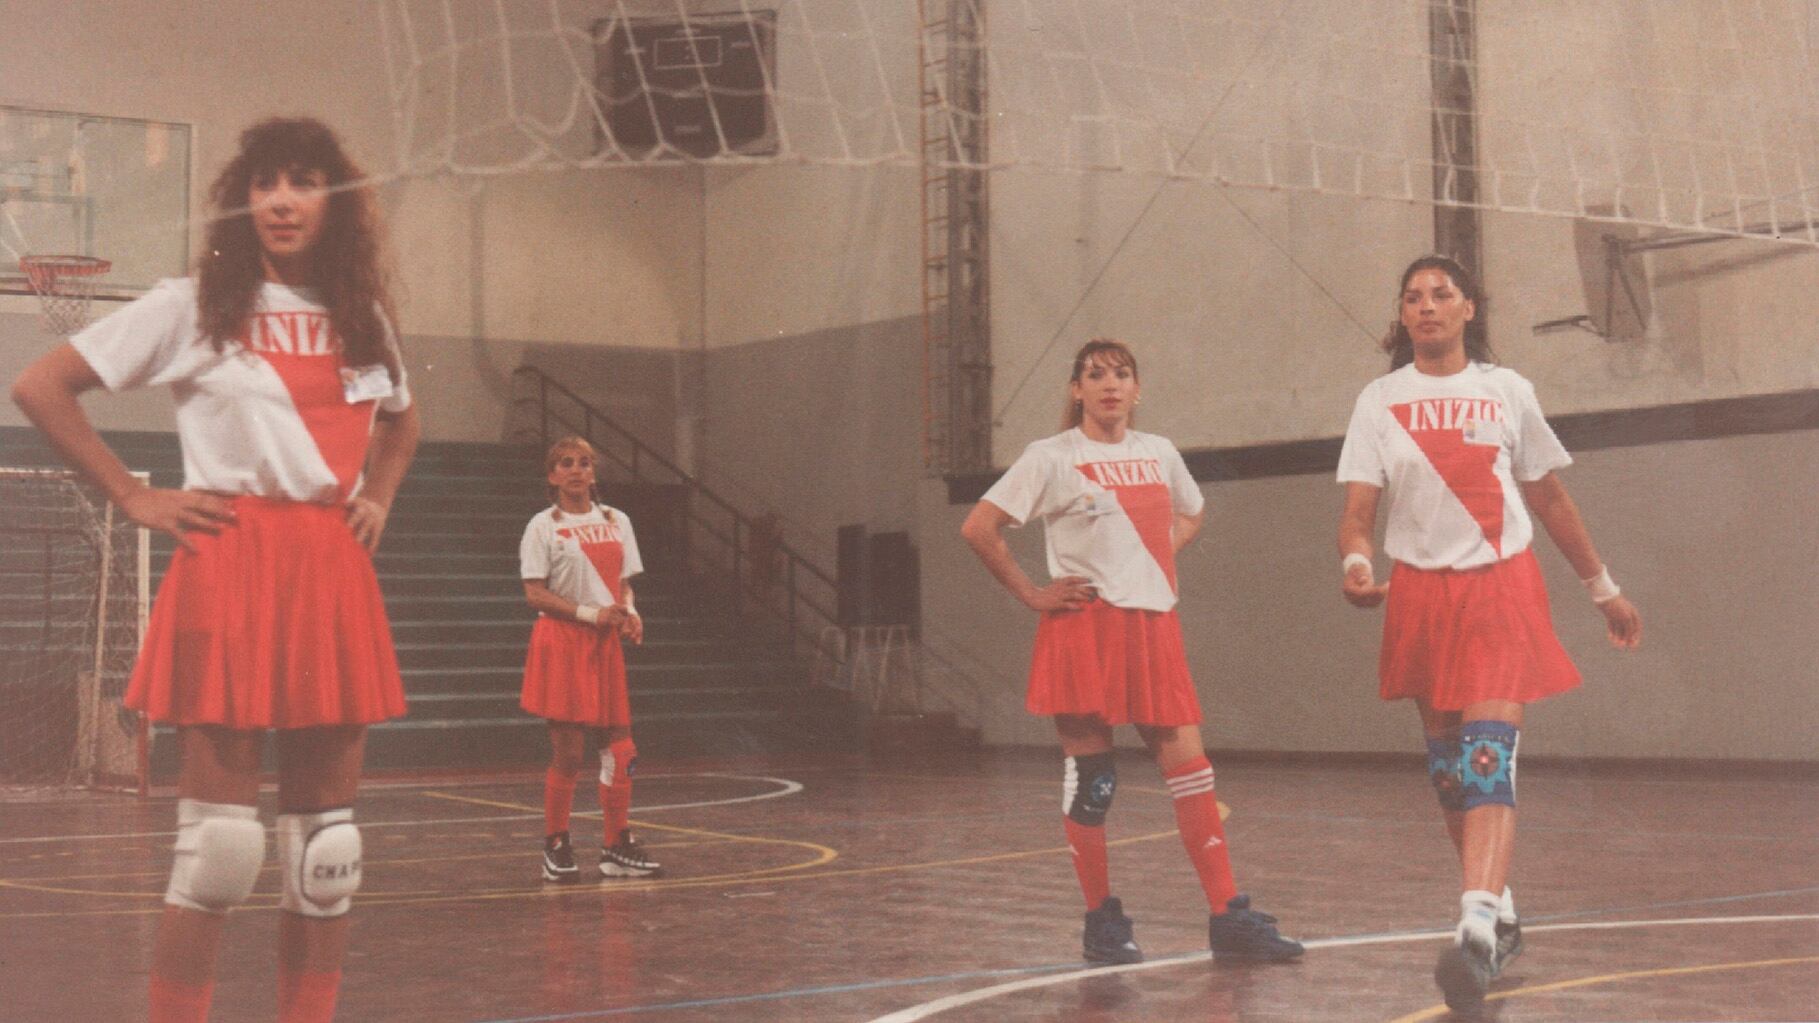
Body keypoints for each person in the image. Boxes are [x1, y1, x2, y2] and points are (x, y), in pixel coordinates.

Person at [10, 117, 420, 1023]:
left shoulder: (364, 318)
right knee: (220, 849)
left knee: (326, 853)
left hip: (329, 570)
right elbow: (40, 383)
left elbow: (402, 419)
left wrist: (379, 496)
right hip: (229, 564)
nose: (280, 199)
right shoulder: (194, 303)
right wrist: (129, 493)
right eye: (265, 181)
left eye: (303, 180)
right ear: (243, 199)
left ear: (334, 201)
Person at [1335, 255, 1643, 1012]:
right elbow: (1357, 512)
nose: (1427, 306)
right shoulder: (1378, 400)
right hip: (1417, 595)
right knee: (1449, 774)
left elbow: (1550, 496)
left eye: (1441, 294)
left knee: (1485, 759)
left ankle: (1472, 929)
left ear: (1469, 307)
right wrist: (1352, 561)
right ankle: (1499, 914)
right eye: (1412, 297)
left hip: (1500, 587)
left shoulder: (1506, 391)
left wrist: (1603, 590)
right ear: (1402, 316)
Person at [961, 338, 1304, 966]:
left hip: (1153, 629)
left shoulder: (1160, 452)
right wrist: (1034, 593)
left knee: (1193, 774)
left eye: (1121, 374)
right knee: (1094, 782)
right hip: (1083, 630)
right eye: (1095, 375)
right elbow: (978, 527)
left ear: (1137, 389)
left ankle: (1228, 918)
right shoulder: (1051, 456)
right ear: (1076, 390)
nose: (1109, 384)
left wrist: (1150, 561)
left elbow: (1192, 514)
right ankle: (1102, 923)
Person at [519, 435, 661, 882]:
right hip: (561, 639)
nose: (576, 469)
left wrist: (628, 613)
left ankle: (616, 844)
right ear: (552, 475)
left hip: (603, 642)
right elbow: (534, 591)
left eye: (584, 462)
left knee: (621, 749)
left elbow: (622, 583)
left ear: (594, 473)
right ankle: (556, 844)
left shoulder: (617, 520)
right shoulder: (542, 525)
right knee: (569, 754)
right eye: (565, 463)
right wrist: (590, 613)